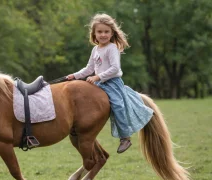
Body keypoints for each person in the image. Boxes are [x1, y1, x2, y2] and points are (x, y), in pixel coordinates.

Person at [66, 13, 153, 154]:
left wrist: (98, 77)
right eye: (100, 32)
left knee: (118, 106)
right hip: (100, 83)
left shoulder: (112, 48)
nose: (103, 35)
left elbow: (115, 69)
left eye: (106, 32)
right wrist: (74, 76)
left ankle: (125, 137)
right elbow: (89, 68)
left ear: (112, 33)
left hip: (112, 83)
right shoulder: (95, 49)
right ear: (94, 33)